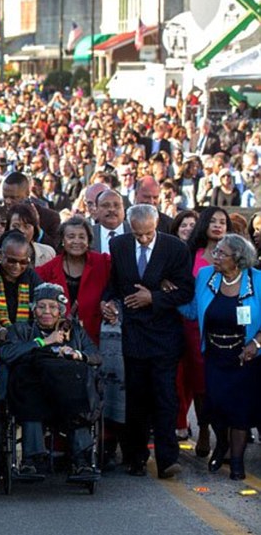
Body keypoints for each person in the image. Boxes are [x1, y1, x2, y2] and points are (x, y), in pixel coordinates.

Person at [102, 204, 194, 479]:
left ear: (156, 227)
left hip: (164, 333)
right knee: (137, 398)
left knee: (165, 397)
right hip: (133, 333)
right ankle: (135, 456)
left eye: (148, 234)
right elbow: (114, 284)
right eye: (137, 234)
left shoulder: (175, 248)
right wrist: (108, 303)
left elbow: (186, 291)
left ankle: (167, 459)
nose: (142, 239)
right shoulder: (118, 246)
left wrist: (154, 298)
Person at [0, 283, 102, 481]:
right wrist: (43, 342)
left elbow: (96, 355)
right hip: (33, 395)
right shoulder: (20, 330)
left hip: (67, 394)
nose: (47, 311)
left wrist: (77, 354)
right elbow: (6, 354)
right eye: (42, 306)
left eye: (53, 307)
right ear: (33, 309)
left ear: (60, 311)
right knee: (28, 392)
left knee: (78, 398)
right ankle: (31, 460)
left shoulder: (75, 332)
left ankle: (82, 461)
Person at [179, 234, 261, 481]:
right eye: (215, 253)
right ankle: (221, 445)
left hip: (245, 357)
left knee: (240, 410)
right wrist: (171, 295)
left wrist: (256, 343)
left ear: (237, 259)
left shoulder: (257, 281)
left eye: (221, 254)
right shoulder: (206, 277)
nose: (215, 257)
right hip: (215, 356)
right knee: (216, 406)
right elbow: (192, 311)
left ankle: (236, 461)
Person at [36, 216, 111, 344]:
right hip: (58, 338)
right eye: (71, 236)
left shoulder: (103, 263)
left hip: (94, 337)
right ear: (62, 240)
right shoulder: (47, 270)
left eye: (82, 237)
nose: (76, 241)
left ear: (88, 240)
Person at [0, 203, 55, 268]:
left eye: (27, 226)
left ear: (34, 229)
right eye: (15, 226)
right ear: (8, 228)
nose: (21, 231)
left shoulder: (48, 253)